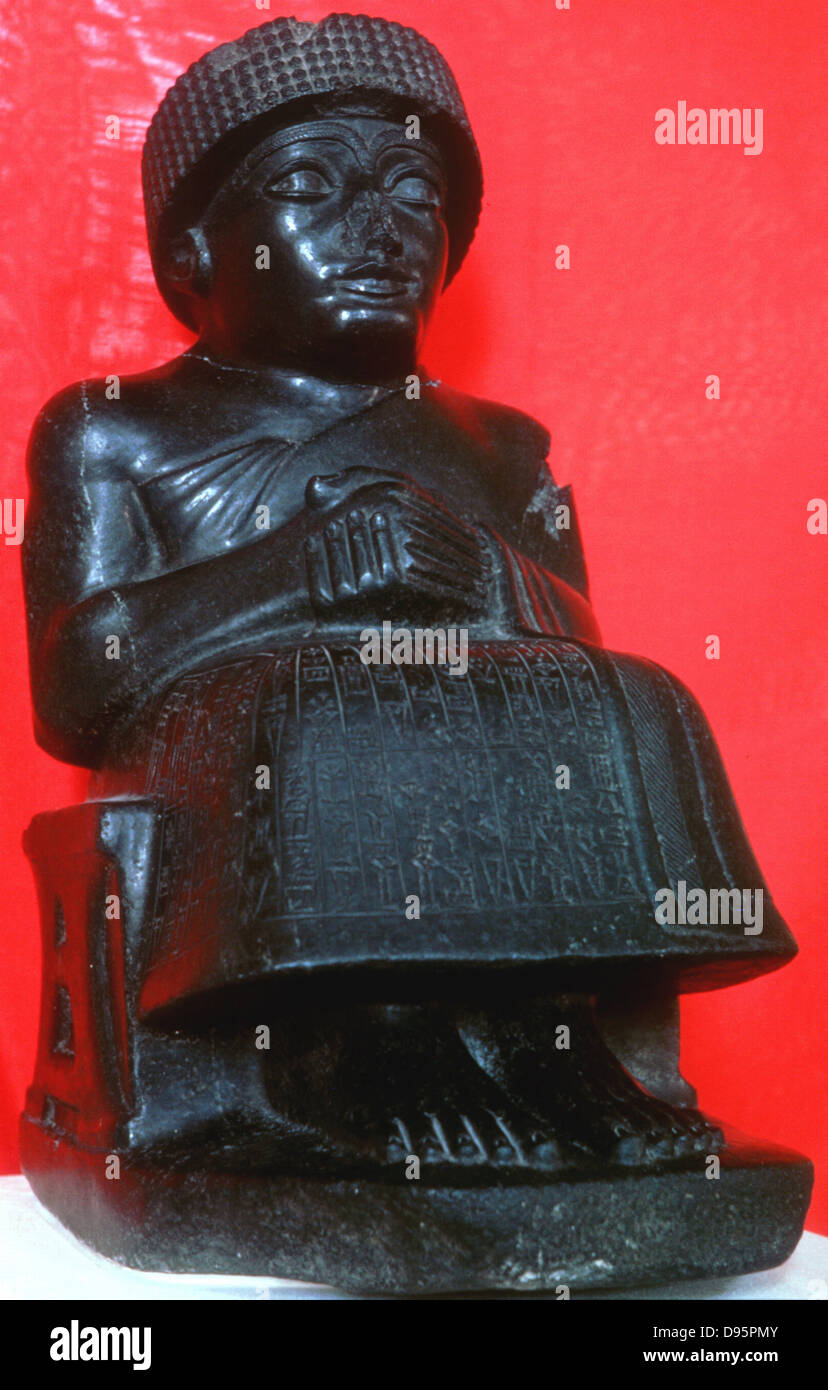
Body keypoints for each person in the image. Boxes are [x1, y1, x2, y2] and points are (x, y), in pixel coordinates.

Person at [23, 14, 795, 1173]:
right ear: (195, 254)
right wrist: (295, 567)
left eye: (413, 192)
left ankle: (547, 1033)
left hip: (446, 726)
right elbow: (78, 687)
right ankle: (356, 1045)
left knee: (635, 694)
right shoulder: (116, 430)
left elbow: (576, 633)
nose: (380, 229)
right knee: (337, 701)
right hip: (228, 767)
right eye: (309, 186)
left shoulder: (498, 445)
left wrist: (479, 569)